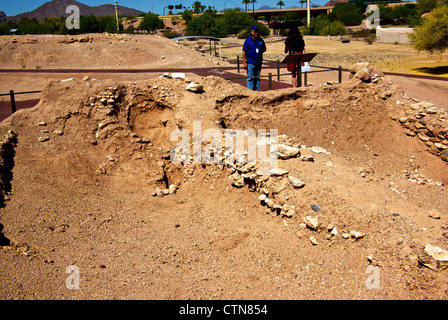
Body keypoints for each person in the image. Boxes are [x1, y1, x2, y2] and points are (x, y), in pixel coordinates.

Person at [242, 25, 267, 91]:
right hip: (250, 62)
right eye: (254, 32)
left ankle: (256, 91)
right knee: (250, 77)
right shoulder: (248, 40)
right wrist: (244, 62)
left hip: (258, 62)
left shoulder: (260, 40)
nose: (256, 33)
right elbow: (244, 52)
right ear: (251, 32)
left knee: (257, 77)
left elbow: (264, 49)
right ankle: (250, 91)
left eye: (257, 32)